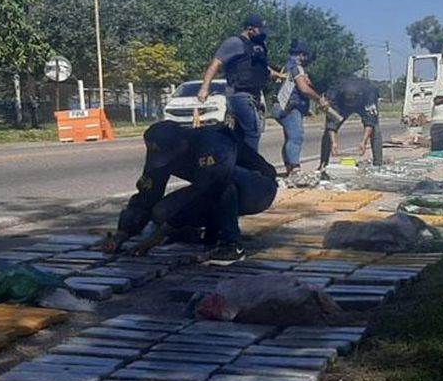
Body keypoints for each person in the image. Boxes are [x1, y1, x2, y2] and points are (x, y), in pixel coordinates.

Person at [102, 121, 278, 262]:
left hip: (259, 188)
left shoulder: (212, 141)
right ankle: (202, 234)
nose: (167, 162)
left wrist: (161, 233)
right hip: (214, 187)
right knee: (161, 212)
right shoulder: (162, 153)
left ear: (182, 145)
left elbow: (213, 185)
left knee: (221, 184)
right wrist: (122, 234)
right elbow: (147, 194)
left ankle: (232, 244)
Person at [197, 14, 282, 151]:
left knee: (241, 134)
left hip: (252, 95)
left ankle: (237, 167)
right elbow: (216, 64)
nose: (263, 34)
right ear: (250, 29)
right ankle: (251, 166)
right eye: (260, 30)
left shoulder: (256, 46)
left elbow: (265, 70)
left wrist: (281, 76)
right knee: (253, 133)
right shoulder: (234, 43)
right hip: (239, 94)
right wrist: (204, 87)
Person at [273, 40, 329, 176]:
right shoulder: (296, 68)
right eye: (306, 56)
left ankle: (289, 169)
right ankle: (295, 169)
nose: (307, 59)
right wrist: (319, 99)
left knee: (289, 138)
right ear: (302, 55)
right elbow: (303, 89)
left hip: (281, 106)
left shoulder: (286, 67)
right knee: (296, 137)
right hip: (290, 108)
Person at [319, 77, 383, 169]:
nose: (351, 104)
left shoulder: (369, 94)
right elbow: (331, 123)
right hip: (342, 105)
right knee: (327, 133)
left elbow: (370, 121)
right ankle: (323, 164)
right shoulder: (336, 93)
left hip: (363, 102)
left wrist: (364, 142)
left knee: (375, 129)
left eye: (352, 100)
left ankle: (378, 163)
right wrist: (334, 142)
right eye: (349, 99)